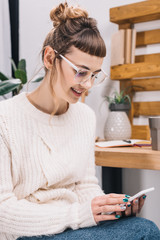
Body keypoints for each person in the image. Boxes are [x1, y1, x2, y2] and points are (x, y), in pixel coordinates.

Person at [0, 2, 159, 240]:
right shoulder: (5, 119)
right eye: (81, 72)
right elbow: (3, 212)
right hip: (29, 231)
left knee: (145, 229)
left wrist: (109, 208)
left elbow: (86, 186)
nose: (87, 85)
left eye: (94, 75)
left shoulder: (84, 117)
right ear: (50, 58)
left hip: (74, 226)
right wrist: (78, 214)